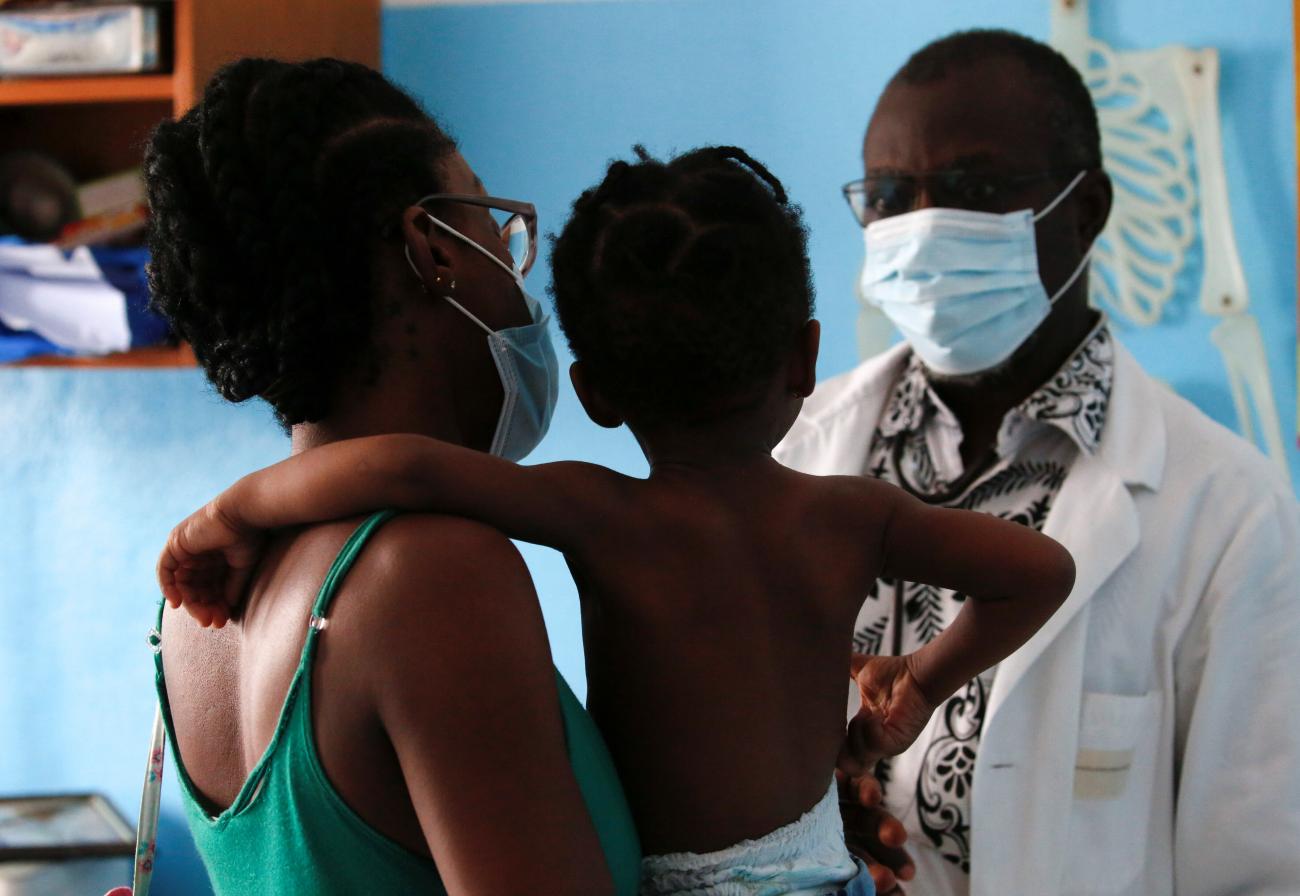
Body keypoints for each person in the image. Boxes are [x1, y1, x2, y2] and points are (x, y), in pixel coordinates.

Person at [158, 145, 1076, 896]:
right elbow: (1040, 572)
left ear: (593, 391)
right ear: (804, 356)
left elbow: (401, 467)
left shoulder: (598, 514)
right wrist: (916, 679)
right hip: (830, 877)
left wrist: (230, 511)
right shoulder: (853, 515)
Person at [778, 29, 1300, 896]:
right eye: (887, 195)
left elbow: (1258, 870)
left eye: (972, 190)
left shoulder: (1229, 511)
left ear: (1085, 210)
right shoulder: (799, 446)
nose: (918, 227)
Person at [143, 57, 642, 895]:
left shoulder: (194, 613)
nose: (512, 266)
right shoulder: (429, 577)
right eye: (491, 224)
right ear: (432, 247)